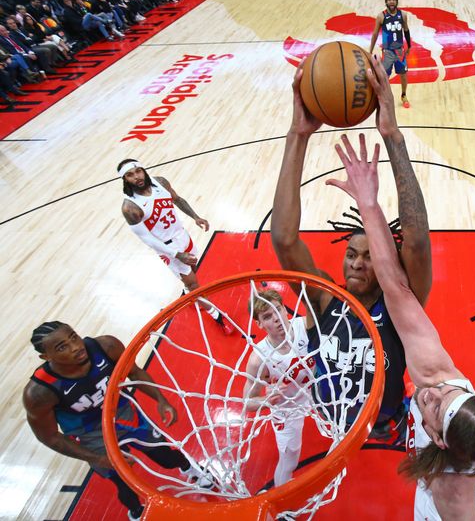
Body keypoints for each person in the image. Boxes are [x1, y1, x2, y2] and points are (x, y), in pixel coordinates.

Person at [327, 133, 475, 520]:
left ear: (438, 438)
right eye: (450, 393)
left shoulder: (451, 496)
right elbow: (395, 285)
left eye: (438, 407)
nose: (433, 394)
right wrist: (369, 205)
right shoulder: (439, 378)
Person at [271, 54, 432, 442]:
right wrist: (298, 135)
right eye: (350, 254)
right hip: (331, 420)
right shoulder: (324, 300)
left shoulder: (401, 306)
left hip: (384, 422)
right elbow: (284, 240)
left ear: (385, 262)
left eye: (369, 256)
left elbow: (417, 240)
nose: (358, 264)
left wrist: (392, 135)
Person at [22, 322, 212, 521]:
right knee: (123, 481)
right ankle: (137, 511)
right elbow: (50, 437)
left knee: (164, 455)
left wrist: (161, 400)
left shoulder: (106, 346)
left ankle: (190, 468)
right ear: (46, 357)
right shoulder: (39, 393)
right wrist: (97, 458)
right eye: (62, 347)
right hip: (91, 435)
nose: (76, 346)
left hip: (125, 415)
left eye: (73, 337)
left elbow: (135, 373)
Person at [118, 159, 235, 335]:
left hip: (182, 235)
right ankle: (217, 317)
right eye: (130, 175)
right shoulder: (130, 207)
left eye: (138, 171)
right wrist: (176, 254)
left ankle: (188, 290)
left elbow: (178, 200)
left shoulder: (160, 182)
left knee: (194, 268)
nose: (137, 177)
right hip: (168, 248)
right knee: (195, 285)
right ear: (125, 180)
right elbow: (148, 239)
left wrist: (196, 217)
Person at [242, 288, 314, 487]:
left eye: (278, 310)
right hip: (287, 408)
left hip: (318, 393)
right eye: (267, 316)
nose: (276, 318)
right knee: (289, 460)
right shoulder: (259, 359)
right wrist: (266, 400)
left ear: (285, 309)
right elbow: (248, 403)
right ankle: (281, 506)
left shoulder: (306, 326)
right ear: (259, 324)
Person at [369, 0, 412, 109]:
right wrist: (370, 50)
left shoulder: (402, 15)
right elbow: (375, 34)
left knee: (403, 74)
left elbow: (406, 30)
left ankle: (403, 95)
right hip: (387, 52)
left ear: (396, 1)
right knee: (384, 77)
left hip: (400, 51)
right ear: (386, 2)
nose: (391, 1)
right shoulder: (381, 16)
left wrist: (409, 45)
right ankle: (383, 97)